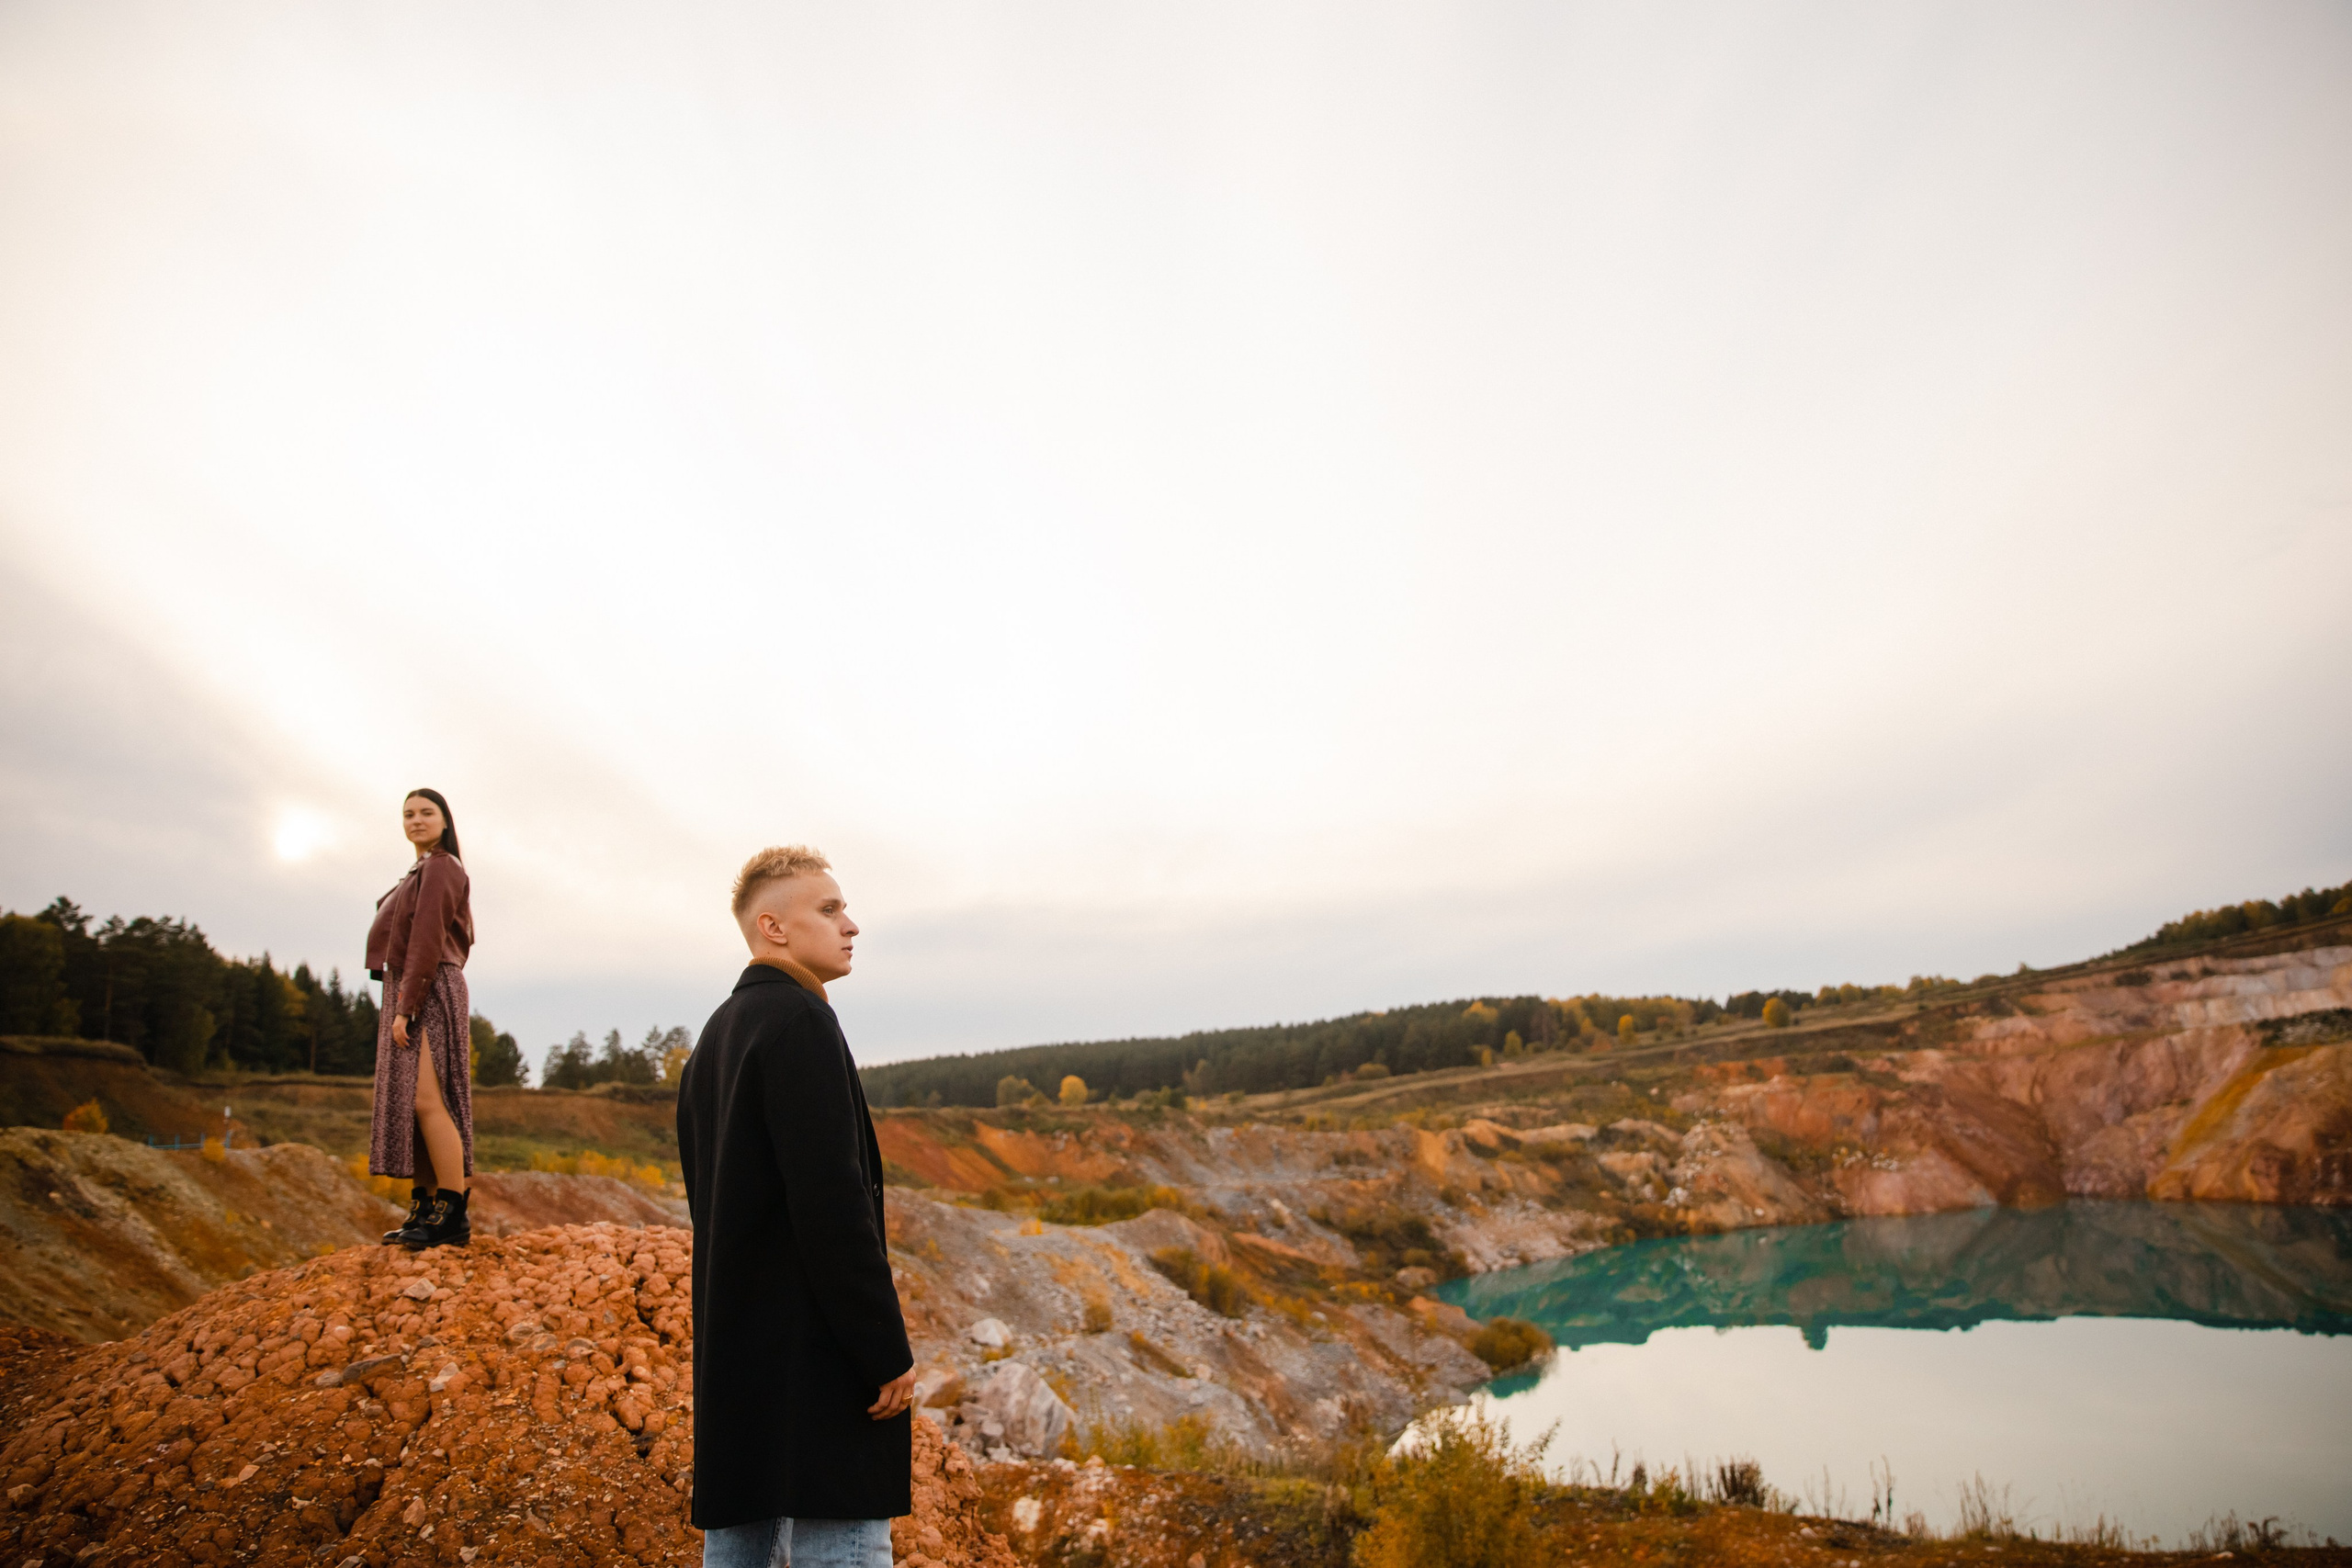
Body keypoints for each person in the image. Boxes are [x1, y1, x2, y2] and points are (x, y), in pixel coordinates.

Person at [679, 845, 916, 1568]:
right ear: (773, 927)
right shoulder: (801, 1023)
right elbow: (831, 1203)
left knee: (741, 1545)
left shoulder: (717, 1037)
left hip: (741, 1353)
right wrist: (882, 1347)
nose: (851, 924)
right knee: (841, 1541)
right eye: (830, 908)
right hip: (813, 1355)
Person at [365, 787, 477, 1249]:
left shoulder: (442, 866)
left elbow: (428, 936)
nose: (416, 820)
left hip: (428, 988)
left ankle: (452, 1213)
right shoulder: (417, 870)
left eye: (426, 813)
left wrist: (407, 1007)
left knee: (429, 1101)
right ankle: (427, 1208)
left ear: (445, 821)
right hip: (410, 987)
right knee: (414, 1105)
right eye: (408, 814)